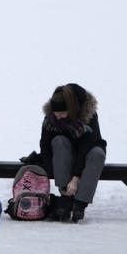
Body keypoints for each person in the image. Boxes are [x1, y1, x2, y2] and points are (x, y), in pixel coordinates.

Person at [38, 84, 107, 223]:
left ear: (72, 109)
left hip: (88, 152)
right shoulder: (51, 117)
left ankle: (79, 205)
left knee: (98, 154)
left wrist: (75, 179)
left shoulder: (89, 116)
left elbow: (86, 147)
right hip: (63, 154)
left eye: (62, 114)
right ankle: (65, 198)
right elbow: (45, 146)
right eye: (56, 115)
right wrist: (56, 175)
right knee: (59, 140)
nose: (58, 118)